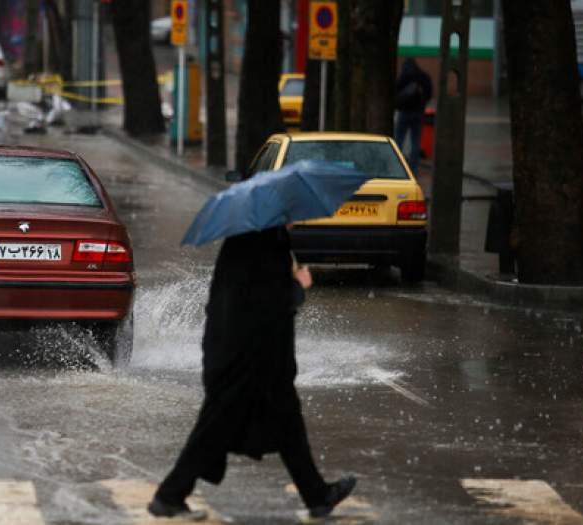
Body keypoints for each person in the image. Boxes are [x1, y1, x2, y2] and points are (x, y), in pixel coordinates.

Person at [148, 226, 356, 521]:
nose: (297, 219)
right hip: (245, 359)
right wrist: (298, 284)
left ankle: (317, 496)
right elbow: (268, 303)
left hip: (250, 355)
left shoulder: (253, 236)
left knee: (287, 425)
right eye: (293, 213)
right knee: (215, 429)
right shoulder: (264, 241)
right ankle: (168, 496)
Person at [394, 58, 433, 173]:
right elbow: (429, 93)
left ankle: (397, 168)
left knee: (399, 141)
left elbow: (396, 92)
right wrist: (421, 103)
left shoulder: (403, 77)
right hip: (418, 113)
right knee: (415, 143)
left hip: (404, 113)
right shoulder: (423, 77)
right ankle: (413, 169)